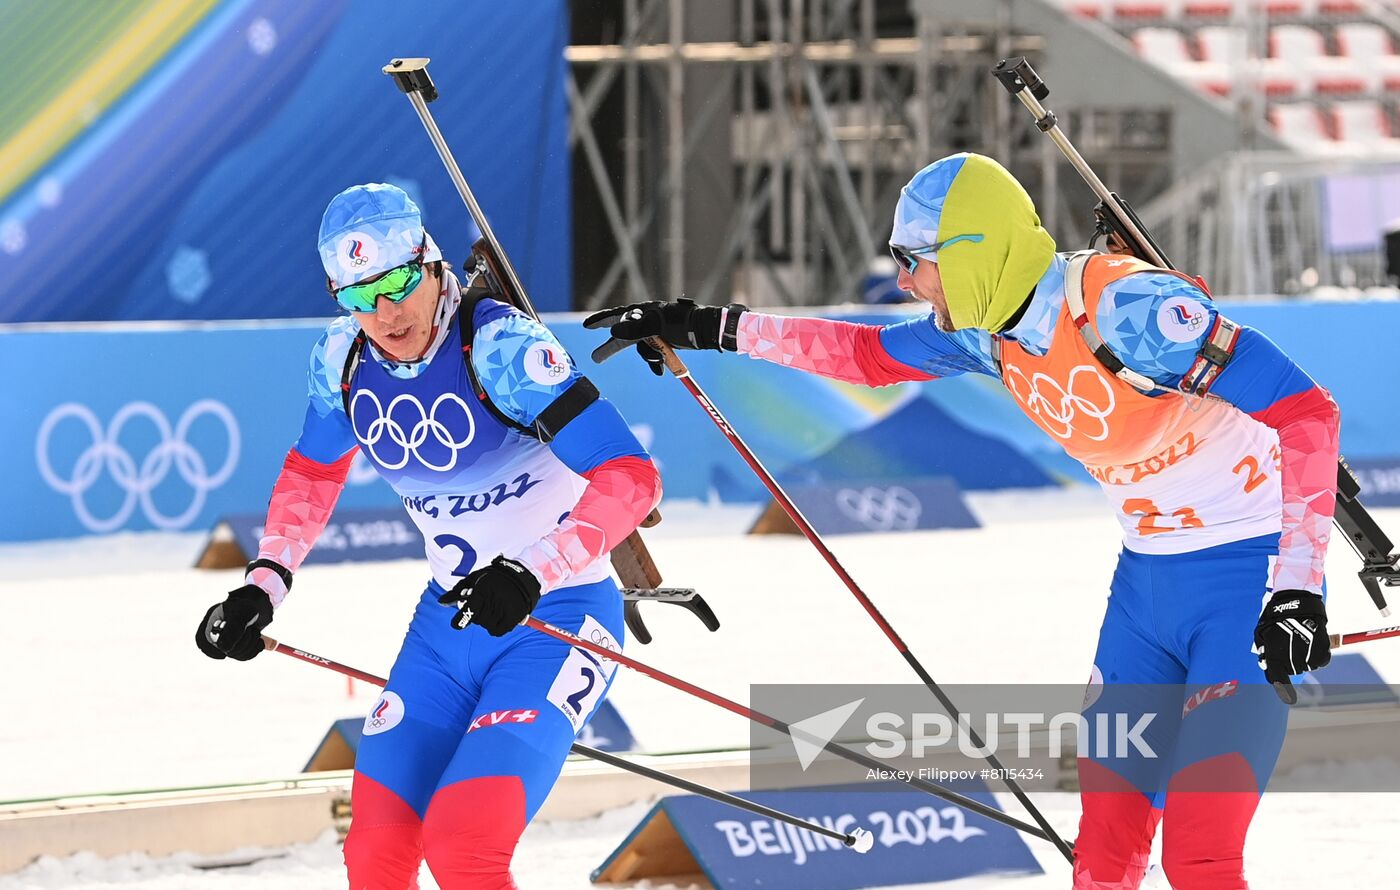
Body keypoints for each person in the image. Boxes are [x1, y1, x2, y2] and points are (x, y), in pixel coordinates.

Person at [586, 153, 1339, 889]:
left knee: (1199, 861)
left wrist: (1300, 587)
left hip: (1247, 581)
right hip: (1146, 596)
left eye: (915, 258)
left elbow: (1306, 411)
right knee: (1103, 864)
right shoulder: (990, 333)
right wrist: (708, 325)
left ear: (973, 250)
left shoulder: (1127, 308)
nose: (906, 280)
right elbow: (865, 355)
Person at [195, 183, 660, 889]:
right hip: (446, 630)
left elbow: (631, 477)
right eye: (356, 297)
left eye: (396, 284)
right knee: (376, 855)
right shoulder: (341, 359)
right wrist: (265, 584)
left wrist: (534, 570)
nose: (383, 314)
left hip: (558, 621)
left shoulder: (500, 346)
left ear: (430, 263)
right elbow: (312, 475)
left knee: (463, 845)